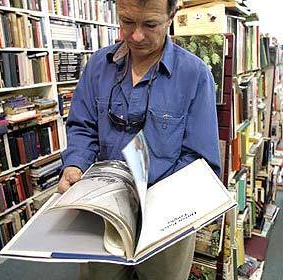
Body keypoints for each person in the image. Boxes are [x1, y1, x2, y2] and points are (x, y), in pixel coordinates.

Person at [58, 0, 221, 279]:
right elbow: (82, 127)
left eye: (150, 24)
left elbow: (200, 159)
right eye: (127, 22)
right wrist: (75, 165)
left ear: (172, 16)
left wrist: (156, 201)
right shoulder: (98, 65)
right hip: (104, 212)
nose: (135, 36)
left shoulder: (195, 75)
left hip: (166, 220)